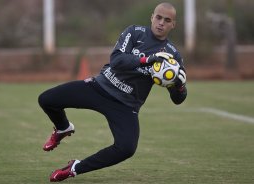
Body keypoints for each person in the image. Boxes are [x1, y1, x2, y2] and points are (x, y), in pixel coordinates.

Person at [38, 2, 187, 182]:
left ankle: (75, 168)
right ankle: (63, 128)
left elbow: (178, 99)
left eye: (167, 20)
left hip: (126, 105)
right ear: (152, 17)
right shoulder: (134, 32)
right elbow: (117, 60)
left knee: (126, 148)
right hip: (99, 88)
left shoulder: (173, 57)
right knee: (46, 100)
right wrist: (148, 59)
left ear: (173, 25)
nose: (161, 23)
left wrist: (178, 85)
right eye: (158, 17)